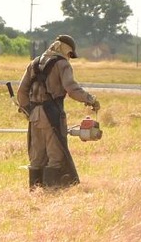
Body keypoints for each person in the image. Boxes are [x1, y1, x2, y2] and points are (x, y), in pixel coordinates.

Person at [16, 33, 100, 190]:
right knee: (56, 155)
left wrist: (29, 110)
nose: (69, 57)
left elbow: (21, 92)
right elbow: (72, 89)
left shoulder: (33, 63)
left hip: (34, 116)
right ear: (64, 49)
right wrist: (90, 99)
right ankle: (51, 191)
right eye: (69, 53)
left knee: (37, 156)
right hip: (52, 116)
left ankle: (35, 191)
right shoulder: (62, 64)